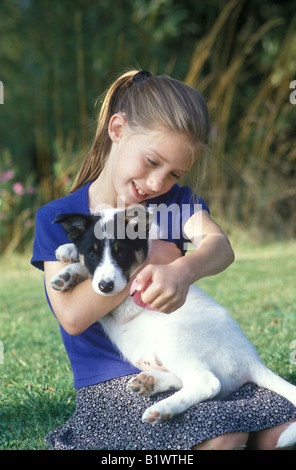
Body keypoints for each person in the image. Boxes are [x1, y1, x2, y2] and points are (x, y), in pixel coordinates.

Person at [31, 70, 296, 450]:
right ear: (117, 129)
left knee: (280, 429)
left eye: (174, 173)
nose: (157, 183)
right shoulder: (63, 216)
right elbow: (72, 316)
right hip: (113, 385)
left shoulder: (171, 206)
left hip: (182, 360)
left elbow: (220, 246)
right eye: (152, 161)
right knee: (225, 436)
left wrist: (185, 268)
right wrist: (150, 254)